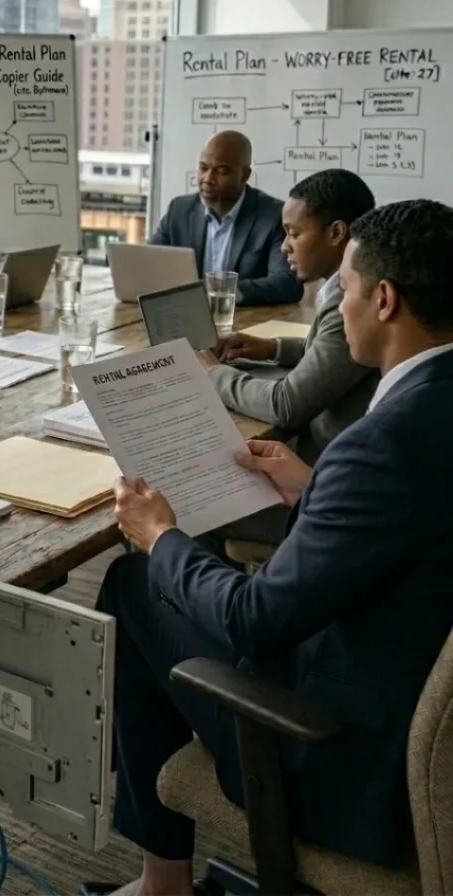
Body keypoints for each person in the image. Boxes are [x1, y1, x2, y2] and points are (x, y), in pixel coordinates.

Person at [90, 198, 453, 896]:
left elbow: (253, 620)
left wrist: (159, 534)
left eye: (344, 288)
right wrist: (312, 489)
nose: (337, 304)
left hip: (334, 755)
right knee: (168, 580)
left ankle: (161, 881)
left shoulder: (382, 446)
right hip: (405, 695)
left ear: (383, 300)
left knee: (136, 583)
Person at [201, 168, 380, 465]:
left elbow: (285, 405)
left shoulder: (349, 303)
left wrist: (213, 374)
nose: (285, 246)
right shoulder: (341, 290)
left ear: (336, 233)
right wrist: (274, 348)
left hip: (327, 465)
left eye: (294, 234)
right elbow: (336, 354)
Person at [150, 131, 301, 307]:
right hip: (185, 312)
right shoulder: (179, 210)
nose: (208, 179)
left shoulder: (273, 216)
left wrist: (220, 291)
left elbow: (287, 283)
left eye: (221, 171)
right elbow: (148, 262)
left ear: (244, 175)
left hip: (246, 318)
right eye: (203, 168)